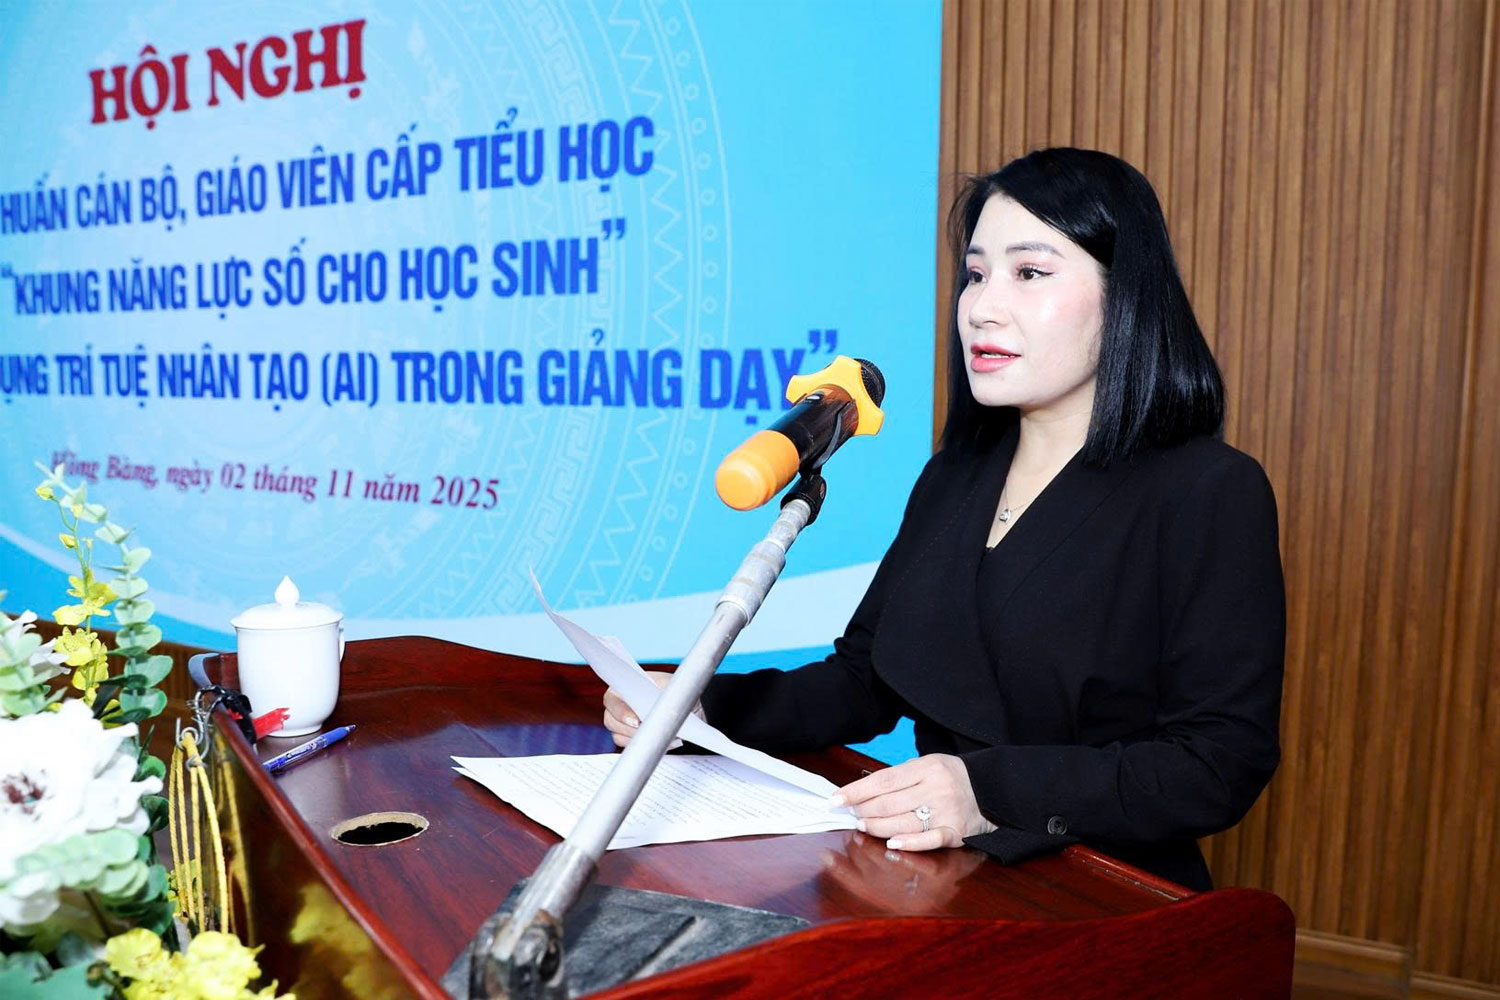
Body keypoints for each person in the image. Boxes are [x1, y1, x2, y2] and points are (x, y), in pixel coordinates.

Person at [603, 148, 1285, 891]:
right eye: (976, 274)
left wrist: (987, 791)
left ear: (1126, 296)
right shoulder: (956, 475)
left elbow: (1217, 764)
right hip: (939, 882)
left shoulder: (1208, 491)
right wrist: (700, 707)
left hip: (1102, 894)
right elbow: (867, 680)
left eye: (1030, 273)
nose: (983, 306)